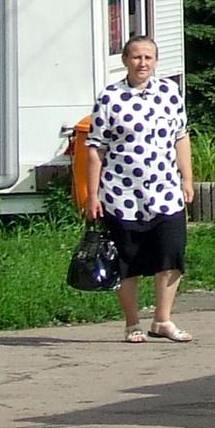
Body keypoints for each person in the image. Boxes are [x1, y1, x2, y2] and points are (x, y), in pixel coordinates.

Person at [86, 36, 196, 343]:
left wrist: (187, 179)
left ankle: (162, 320)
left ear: (156, 61)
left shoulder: (169, 93)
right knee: (127, 260)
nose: (142, 63)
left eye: (148, 57)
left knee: (171, 254)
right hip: (121, 195)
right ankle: (132, 322)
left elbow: (180, 137)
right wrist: (92, 195)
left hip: (165, 191)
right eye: (136, 57)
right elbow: (95, 149)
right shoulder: (110, 98)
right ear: (125, 61)